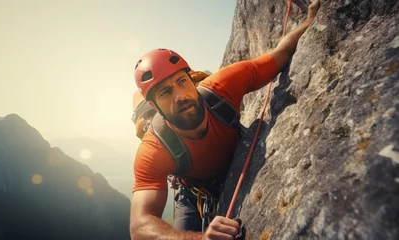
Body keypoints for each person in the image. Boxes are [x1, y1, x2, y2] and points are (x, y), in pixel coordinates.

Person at [130, 1, 321, 239]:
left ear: (192, 80)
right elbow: (140, 227)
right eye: (165, 93)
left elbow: (278, 56)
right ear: (154, 106)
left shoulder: (222, 88)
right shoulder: (155, 150)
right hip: (196, 193)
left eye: (181, 82)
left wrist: (309, 21)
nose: (180, 96)